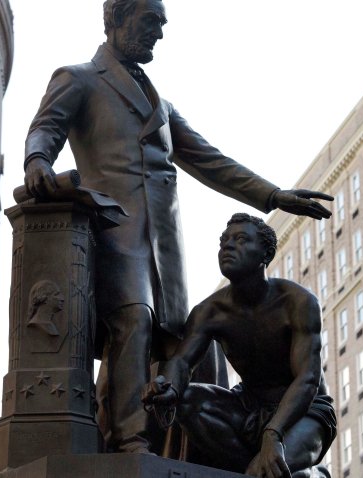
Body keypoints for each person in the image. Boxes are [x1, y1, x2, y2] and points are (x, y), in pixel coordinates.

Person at [23, 0, 332, 453]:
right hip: (114, 234)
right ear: (116, 19)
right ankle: (129, 441)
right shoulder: (79, 79)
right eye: (150, 22)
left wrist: (273, 196)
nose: (159, 34)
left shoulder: (162, 107)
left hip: (165, 251)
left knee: (182, 343)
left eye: (162, 25)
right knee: (133, 320)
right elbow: (44, 129)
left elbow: (212, 161)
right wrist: (37, 160)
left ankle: (187, 449)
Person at [142, 213, 337, 477]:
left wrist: (273, 433)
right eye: (224, 241)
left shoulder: (298, 303)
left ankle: (310, 473)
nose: (228, 246)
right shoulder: (209, 311)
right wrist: (170, 387)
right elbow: (182, 362)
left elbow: (308, 379)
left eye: (241, 239)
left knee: (268, 472)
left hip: (306, 412)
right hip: (247, 407)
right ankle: (254, 467)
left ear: (265, 255)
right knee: (187, 399)